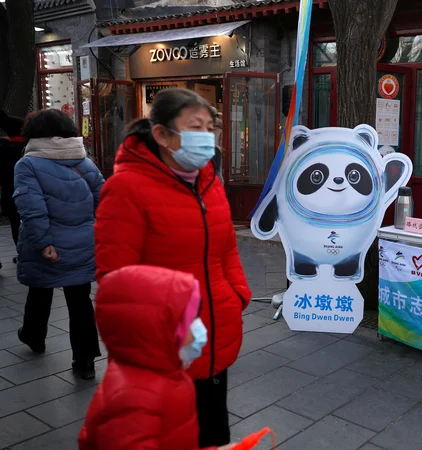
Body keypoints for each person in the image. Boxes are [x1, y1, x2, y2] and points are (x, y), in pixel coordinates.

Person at [94, 88, 251, 447]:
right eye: (196, 127)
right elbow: (115, 280)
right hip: (166, 349)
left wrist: (237, 294)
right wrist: (171, 329)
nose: (207, 137)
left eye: (211, 127)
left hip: (217, 334)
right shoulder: (127, 188)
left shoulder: (209, 181)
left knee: (213, 433)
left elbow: (227, 249)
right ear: (162, 135)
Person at [78, 265, 239, 450]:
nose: (200, 330)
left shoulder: (166, 374)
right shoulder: (133, 405)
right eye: (191, 322)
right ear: (160, 332)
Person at [14, 109, 103, 379]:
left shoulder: (28, 165)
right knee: (79, 299)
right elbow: (106, 201)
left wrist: (43, 243)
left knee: (39, 290)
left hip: (47, 244)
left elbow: (31, 208)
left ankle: (33, 336)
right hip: (83, 243)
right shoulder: (85, 162)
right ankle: (85, 360)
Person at [0, 111, 26, 262]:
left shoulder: (4, 149)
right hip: (29, 194)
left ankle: (21, 253)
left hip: (10, 194)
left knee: (15, 224)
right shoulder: (29, 149)